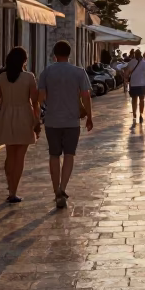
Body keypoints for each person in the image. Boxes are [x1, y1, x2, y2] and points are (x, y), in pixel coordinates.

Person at [39, 40, 94, 209]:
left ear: (54, 54)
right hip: (72, 121)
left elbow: (41, 97)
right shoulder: (78, 72)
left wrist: (40, 112)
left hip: (52, 120)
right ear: (69, 54)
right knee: (69, 155)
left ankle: (56, 188)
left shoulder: (46, 72)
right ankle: (62, 188)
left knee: (54, 155)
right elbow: (86, 96)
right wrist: (90, 117)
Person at [0, 46, 41, 203]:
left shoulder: (2, 77)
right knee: (20, 157)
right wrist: (36, 120)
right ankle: (13, 190)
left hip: (6, 116)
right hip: (24, 116)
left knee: (9, 155)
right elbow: (35, 101)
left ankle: (10, 187)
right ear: (24, 61)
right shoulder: (29, 77)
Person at [125, 49, 145, 124]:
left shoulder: (131, 62)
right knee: (141, 100)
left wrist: (126, 80)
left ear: (135, 55)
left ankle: (134, 114)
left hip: (133, 84)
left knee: (134, 100)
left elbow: (127, 72)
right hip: (142, 84)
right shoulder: (143, 62)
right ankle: (141, 115)